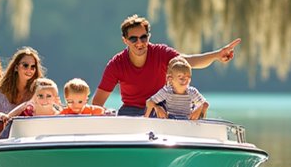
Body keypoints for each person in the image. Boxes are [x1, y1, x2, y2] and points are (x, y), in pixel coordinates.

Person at [91, 14, 240, 116]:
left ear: (149, 37)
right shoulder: (116, 64)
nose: (140, 43)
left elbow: (189, 62)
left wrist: (217, 55)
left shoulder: (161, 53)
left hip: (161, 110)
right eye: (133, 39)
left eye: (143, 37)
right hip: (130, 112)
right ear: (125, 40)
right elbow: (97, 103)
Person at [145, 57, 209, 120]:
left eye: (188, 78)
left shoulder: (191, 92)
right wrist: (157, 107)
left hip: (187, 120)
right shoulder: (167, 91)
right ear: (170, 79)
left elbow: (205, 104)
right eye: (181, 78)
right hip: (171, 120)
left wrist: (199, 109)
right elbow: (149, 102)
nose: (185, 81)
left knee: (198, 109)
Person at [0, 47, 44, 114]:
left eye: (33, 66)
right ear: (16, 67)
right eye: (25, 65)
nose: (29, 69)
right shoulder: (2, 90)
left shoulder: (39, 89)